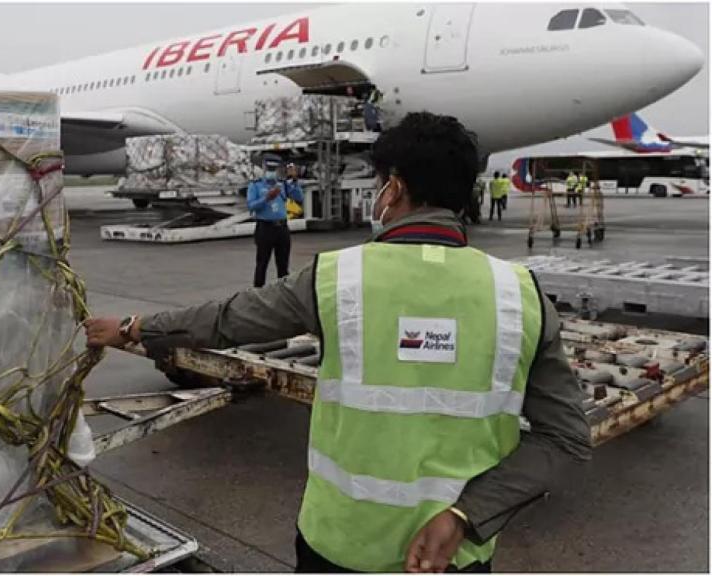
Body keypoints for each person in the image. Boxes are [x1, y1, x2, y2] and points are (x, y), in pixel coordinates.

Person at [86, 112, 591, 574]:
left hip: (340, 544)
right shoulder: (520, 293)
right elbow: (564, 437)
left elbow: (225, 321)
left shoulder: (337, 278)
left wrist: (132, 327)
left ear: (392, 188)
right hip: (453, 556)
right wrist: (466, 515)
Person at [246, 155, 304, 287]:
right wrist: (266, 198)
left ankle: (283, 293)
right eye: (269, 168)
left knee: (283, 265)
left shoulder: (283, 184)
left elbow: (299, 197)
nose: (272, 172)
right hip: (265, 228)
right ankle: (257, 292)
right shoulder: (256, 185)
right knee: (262, 264)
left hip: (281, 228)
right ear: (264, 168)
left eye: (275, 168)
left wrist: (294, 180)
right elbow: (251, 206)